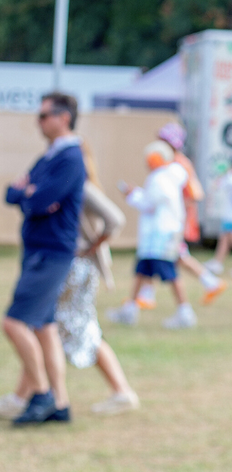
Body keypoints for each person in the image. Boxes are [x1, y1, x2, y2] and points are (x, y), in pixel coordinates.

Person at [1, 93, 86, 425]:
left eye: (44, 115)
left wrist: (30, 194)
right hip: (38, 248)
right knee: (44, 327)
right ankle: (60, 404)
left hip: (51, 251)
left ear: (63, 117)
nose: (39, 122)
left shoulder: (70, 159)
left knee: (14, 321)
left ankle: (41, 394)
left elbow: (40, 201)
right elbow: (13, 193)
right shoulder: (49, 158)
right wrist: (28, 194)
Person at [55, 143, 140, 415]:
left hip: (79, 267)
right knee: (57, 328)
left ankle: (121, 390)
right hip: (74, 266)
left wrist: (93, 245)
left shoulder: (82, 186)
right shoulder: (74, 185)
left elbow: (115, 219)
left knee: (75, 329)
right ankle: (35, 392)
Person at [106, 141, 198, 329]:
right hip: (155, 236)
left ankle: (185, 312)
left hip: (160, 235)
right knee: (142, 271)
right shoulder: (166, 177)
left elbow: (150, 204)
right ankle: (130, 309)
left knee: (170, 273)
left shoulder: (161, 179)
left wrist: (133, 195)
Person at [136, 123, 227, 308]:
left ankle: (207, 284)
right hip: (174, 220)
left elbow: (194, 194)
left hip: (174, 221)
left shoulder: (178, 164)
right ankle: (147, 294)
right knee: (173, 256)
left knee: (168, 256)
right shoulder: (172, 162)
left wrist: (180, 215)